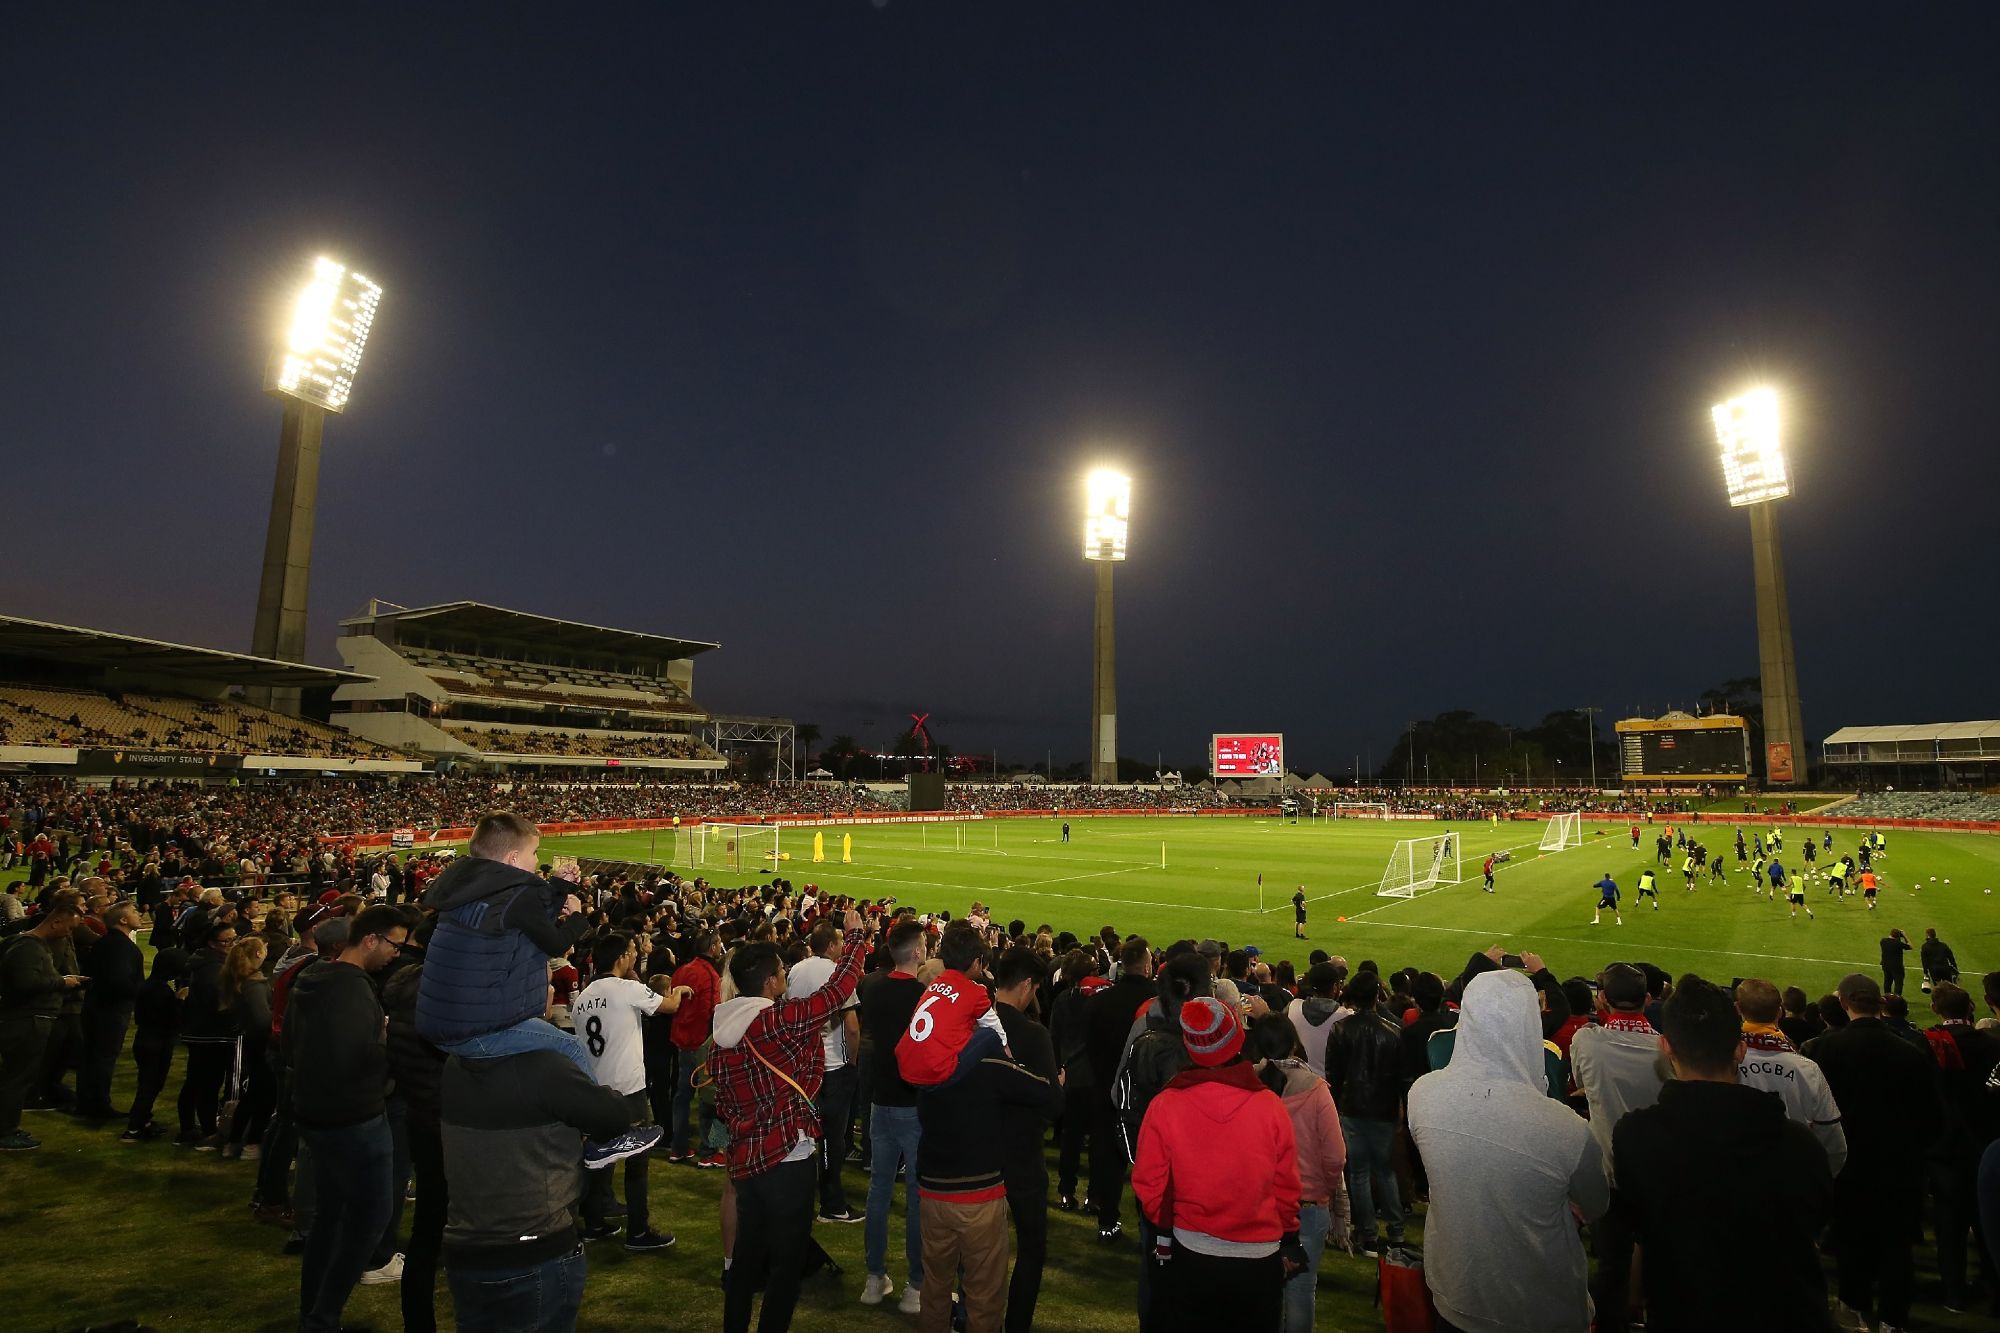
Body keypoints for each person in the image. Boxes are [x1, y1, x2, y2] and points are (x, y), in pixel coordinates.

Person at [1616, 976, 1835, 1331]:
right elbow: (1817, 1213)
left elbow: (1641, 1228)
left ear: (1666, 1047)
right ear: (1740, 1049)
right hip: (1785, 1313)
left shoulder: (1635, 1136)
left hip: (1684, 1312)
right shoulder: (1798, 1145)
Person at [1408, 969, 1606, 1333]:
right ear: (1531, 1024)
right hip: (1535, 1309)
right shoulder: (1565, 1129)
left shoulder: (1422, 1094)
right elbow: (1595, 1206)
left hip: (1457, 1297)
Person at [710, 910, 870, 1333]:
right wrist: (855, 937)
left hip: (745, 1159)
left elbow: (724, 1103)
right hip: (787, 1156)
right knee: (785, 1265)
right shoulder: (773, 1022)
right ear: (770, 983)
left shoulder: (723, 1029)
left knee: (746, 1259)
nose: (785, 977)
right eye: (781, 972)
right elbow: (837, 992)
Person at [438, 1003, 637, 1333]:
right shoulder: (545, 1068)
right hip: (534, 1247)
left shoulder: (455, 1064)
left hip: (468, 1247)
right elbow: (614, 1115)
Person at [913, 943, 1062, 1333]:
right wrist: (1053, 1084)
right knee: (987, 1287)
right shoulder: (1000, 1051)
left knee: (937, 1282)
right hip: (987, 1176)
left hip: (937, 1180)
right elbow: (1047, 1096)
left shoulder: (933, 1055)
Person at [1131, 997, 1304, 1330]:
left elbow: (1149, 1187)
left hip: (1195, 1254)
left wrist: (1174, 1222)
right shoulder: (1269, 1105)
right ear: (1237, 1039)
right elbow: (1286, 1187)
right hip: (1252, 1258)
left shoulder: (1168, 1104)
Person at [285, 904, 413, 1333]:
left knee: (331, 1218)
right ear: (371, 939)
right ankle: (322, 1315)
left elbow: (291, 1046)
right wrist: (388, 1056)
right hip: (353, 1117)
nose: (397, 953)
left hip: (317, 1114)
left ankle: (315, 1312)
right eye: (394, 944)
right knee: (369, 1219)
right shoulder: (350, 987)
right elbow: (359, 1056)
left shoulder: (312, 977)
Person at [1805, 973, 1940, 1333]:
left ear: (1845, 1003)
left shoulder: (1824, 1049)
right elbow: (1931, 1117)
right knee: (1897, 1247)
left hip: (1849, 1164)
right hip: (1900, 1167)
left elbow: (1816, 1115)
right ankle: (1894, 1319)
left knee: (1852, 1238)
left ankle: (1854, 1308)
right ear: (1879, 1003)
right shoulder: (1911, 1051)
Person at [416, 812, 595, 1072]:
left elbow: (529, 920)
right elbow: (554, 943)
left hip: (440, 1020)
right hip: (476, 1025)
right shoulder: (517, 894)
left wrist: (558, 887)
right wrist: (578, 917)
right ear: (513, 858)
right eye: (533, 853)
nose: (537, 860)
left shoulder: (468, 885)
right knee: (573, 1048)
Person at [573, 930, 686, 1252]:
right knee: (637, 1159)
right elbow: (670, 1006)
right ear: (622, 956)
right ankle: (638, 1230)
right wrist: (679, 990)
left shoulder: (583, 997)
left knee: (599, 1157)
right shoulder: (627, 989)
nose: (636, 954)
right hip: (628, 1088)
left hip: (595, 1088)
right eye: (633, 950)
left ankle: (594, 1221)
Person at [1569, 962, 1666, 1333]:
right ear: (1647, 999)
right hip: (1656, 1171)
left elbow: (1579, 1081)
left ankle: (1612, 1324)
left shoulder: (1588, 1041)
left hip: (1607, 1169)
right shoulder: (1664, 1047)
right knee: (1659, 1257)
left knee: (1611, 1262)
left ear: (1603, 999)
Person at [1249, 1015, 1347, 1333]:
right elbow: (1335, 1155)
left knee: (1269, 1290)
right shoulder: (1315, 1089)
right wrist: (1325, 1191)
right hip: (1304, 1203)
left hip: (1262, 1204)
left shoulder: (1247, 1086)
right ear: (1293, 1044)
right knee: (1301, 1291)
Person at [858, 918, 929, 1311]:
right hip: (912, 1104)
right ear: (916, 952)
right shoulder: (921, 995)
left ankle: (874, 1277)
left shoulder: (871, 986)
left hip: (880, 1099)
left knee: (879, 1191)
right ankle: (915, 1285)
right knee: (917, 1196)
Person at [990, 947, 1061, 1333]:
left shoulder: (974, 1022)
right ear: (1028, 985)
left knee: (978, 1248)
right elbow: (1053, 1100)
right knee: (1032, 1247)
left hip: (981, 1151)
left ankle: (973, 1315)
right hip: (1021, 1155)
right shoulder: (1033, 1034)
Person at [1924, 982, 2000, 1313]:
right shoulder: (1993, 1045)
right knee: (1989, 1221)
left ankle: (1954, 1293)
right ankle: (1994, 1287)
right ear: (1970, 1007)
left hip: (1946, 1150)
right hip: (1985, 1144)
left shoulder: (1925, 1045)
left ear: (1935, 1009)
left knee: (1950, 1226)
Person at [784, 921, 862, 1224]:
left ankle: (803, 1197)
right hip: (833, 1065)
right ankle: (832, 1203)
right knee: (833, 1136)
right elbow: (852, 1027)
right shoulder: (836, 974)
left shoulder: (796, 970)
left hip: (804, 1066)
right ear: (831, 945)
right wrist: (852, 1062)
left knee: (805, 1132)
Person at [1322, 970, 1405, 1254]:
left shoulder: (1342, 1029)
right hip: (1381, 1108)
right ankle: (1395, 1232)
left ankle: (1367, 1232)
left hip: (1352, 1107)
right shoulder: (1393, 1031)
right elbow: (1399, 1077)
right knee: (1384, 1170)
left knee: (1358, 1171)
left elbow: (1333, 1072)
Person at [1730, 978, 1846, 1173]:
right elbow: (1834, 1145)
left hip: (1737, 1178)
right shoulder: (1807, 1068)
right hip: (1794, 1179)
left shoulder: (1720, 1062)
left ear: (1737, 1009)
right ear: (1780, 1011)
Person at [0, 894, 85, 1151]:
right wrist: (62, 982)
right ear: (56, 922)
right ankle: (5, 1132)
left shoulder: (28, 945)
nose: (69, 934)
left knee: (16, 1077)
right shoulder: (29, 946)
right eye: (69, 928)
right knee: (17, 1079)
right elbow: (25, 983)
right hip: (27, 1021)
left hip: (28, 1019)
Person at [1083, 937, 1155, 1242]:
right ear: (1148, 965)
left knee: (1108, 1159)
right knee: (1149, 1162)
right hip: (1142, 1097)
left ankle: (1107, 1223)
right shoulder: (1155, 1002)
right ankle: (1149, 1230)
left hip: (1104, 1090)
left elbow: (1089, 1045)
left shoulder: (1099, 1001)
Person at [76, 898, 144, 1120]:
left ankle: (88, 1103)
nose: (140, 914)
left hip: (98, 1006)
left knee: (93, 1056)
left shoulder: (106, 942)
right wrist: (141, 993)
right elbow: (118, 981)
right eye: (135, 912)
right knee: (103, 1057)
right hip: (110, 1010)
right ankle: (98, 1105)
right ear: (123, 920)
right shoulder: (120, 946)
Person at [667, 929, 725, 1164]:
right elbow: (714, 1011)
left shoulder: (682, 970)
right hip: (703, 1043)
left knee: (682, 1097)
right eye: (719, 943)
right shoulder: (710, 974)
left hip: (682, 1041)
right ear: (712, 947)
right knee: (711, 1099)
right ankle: (709, 1152)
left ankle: (678, 1148)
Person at [123, 947, 187, 1143]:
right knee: (149, 1086)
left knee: (149, 1084)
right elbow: (169, 1019)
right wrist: (179, 1002)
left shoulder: (151, 985)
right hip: (156, 1042)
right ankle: (134, 1128)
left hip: (146, 1039)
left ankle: (143, 1121)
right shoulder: (159, 990)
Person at [1881, 929, 1911, 995]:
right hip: (1897, 967)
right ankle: (1897, 998)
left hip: (1886, 965)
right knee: (1898, 983)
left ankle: (1887, 997)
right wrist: (1905, 936)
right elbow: (1910, 946)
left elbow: (1890, 940)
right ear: (1898, 936)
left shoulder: (1883, 941)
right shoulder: (1898, 944)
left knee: (1887, 982)